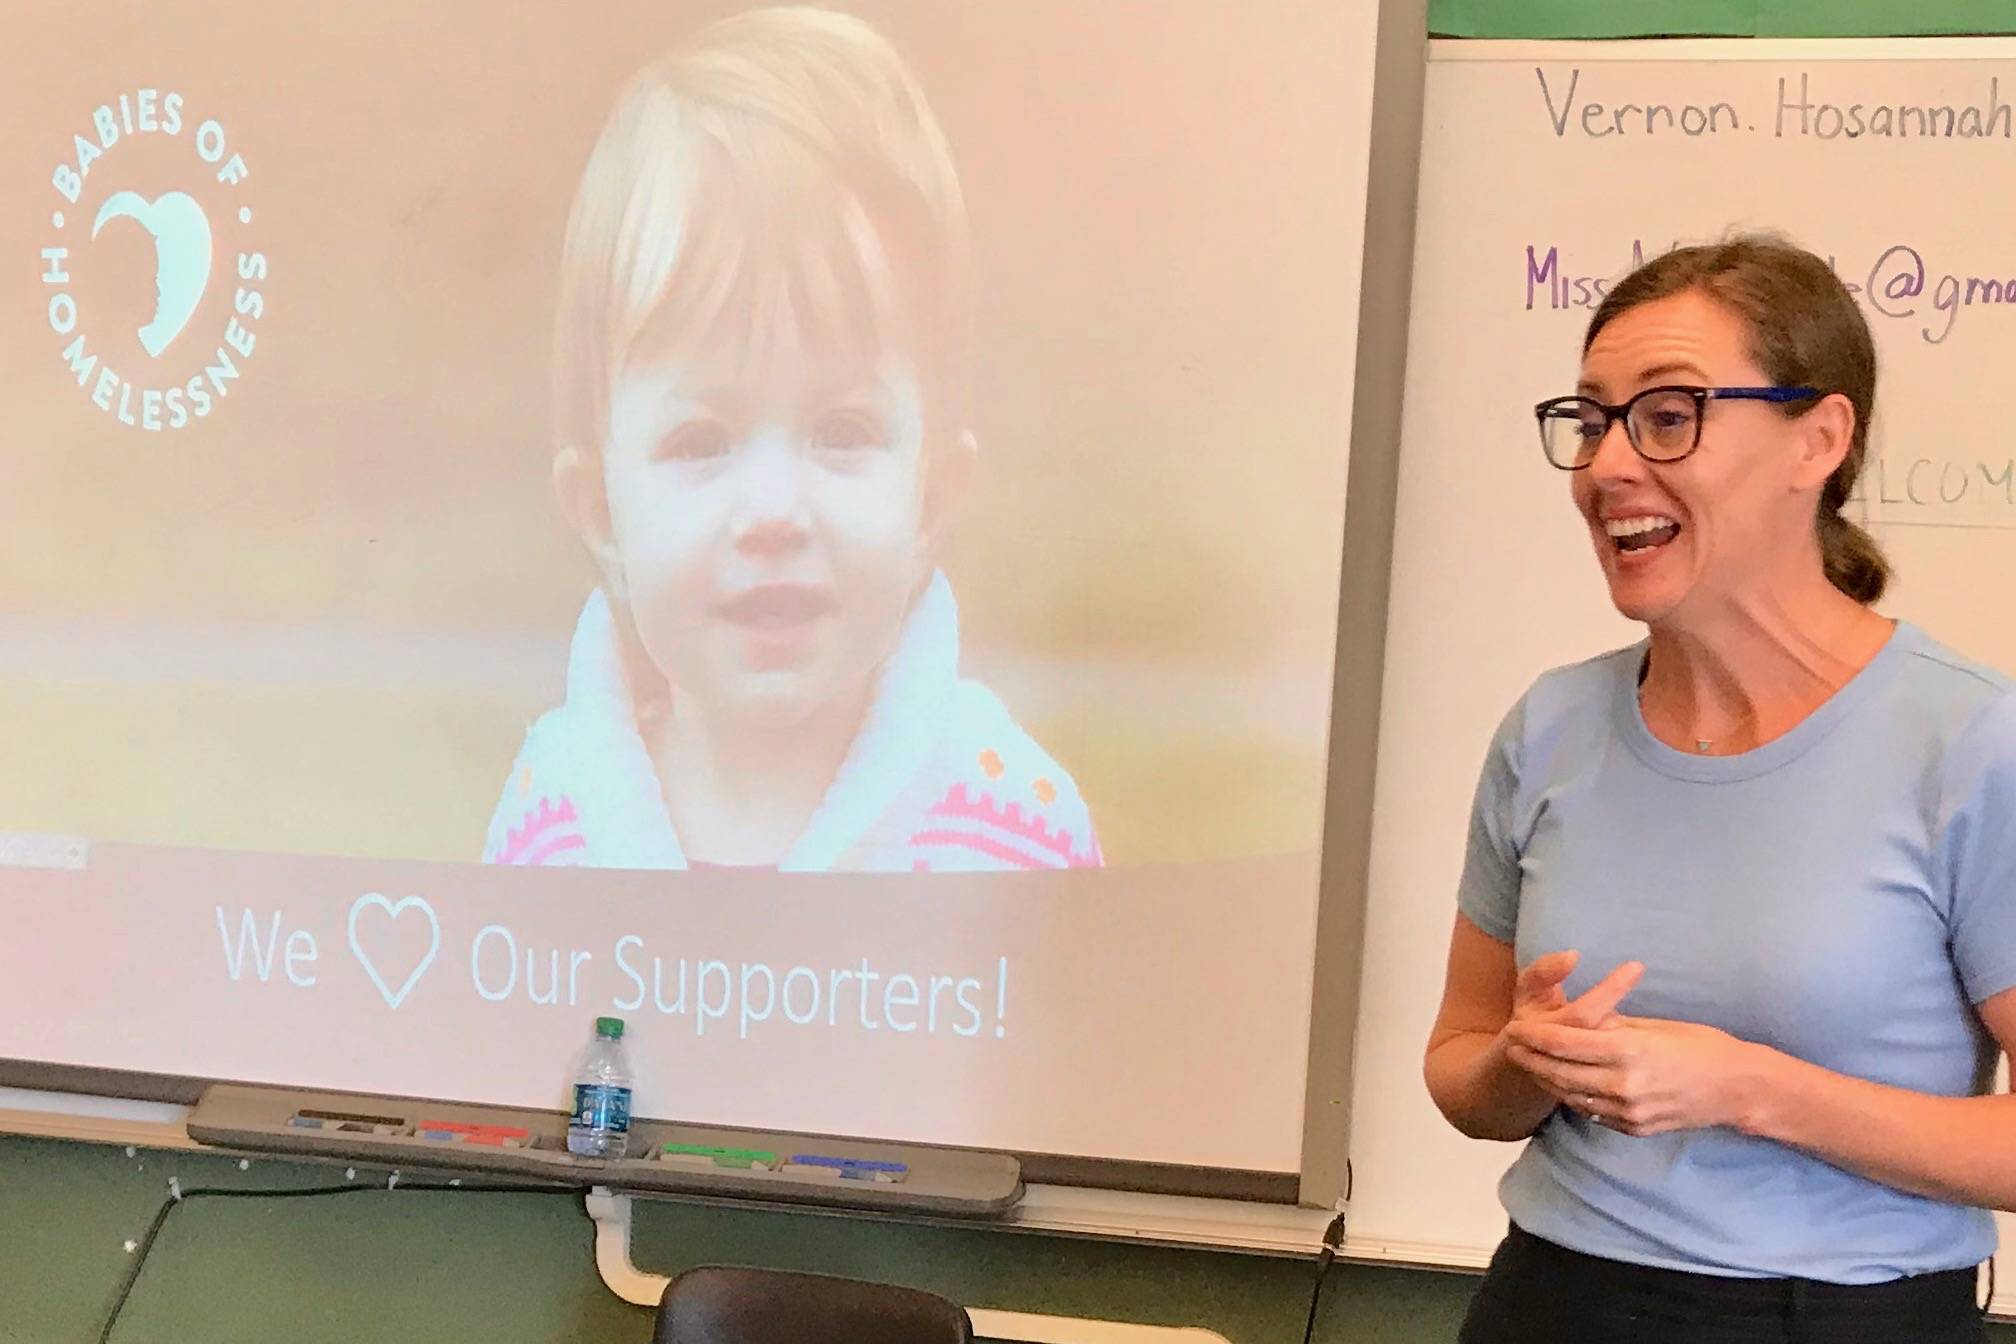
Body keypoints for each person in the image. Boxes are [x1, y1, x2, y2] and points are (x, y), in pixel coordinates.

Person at [1424, 233, 2016, 1343]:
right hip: (1552, 1298)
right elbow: (1460, 1071)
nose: (1606, 467)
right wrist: (1525, 1061)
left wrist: (1747, 1087)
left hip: (1844, 1319)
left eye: (1668, 415)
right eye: (1591, 419)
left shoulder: (1973, 741)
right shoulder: (1549, 727)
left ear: (1819, 441)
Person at [483, 7, 1099, 873]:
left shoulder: (1012, 840)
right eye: (701, 441)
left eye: (841, 431)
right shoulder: (552, 829)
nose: (773, 512)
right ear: (602, 514)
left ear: (931, 497)